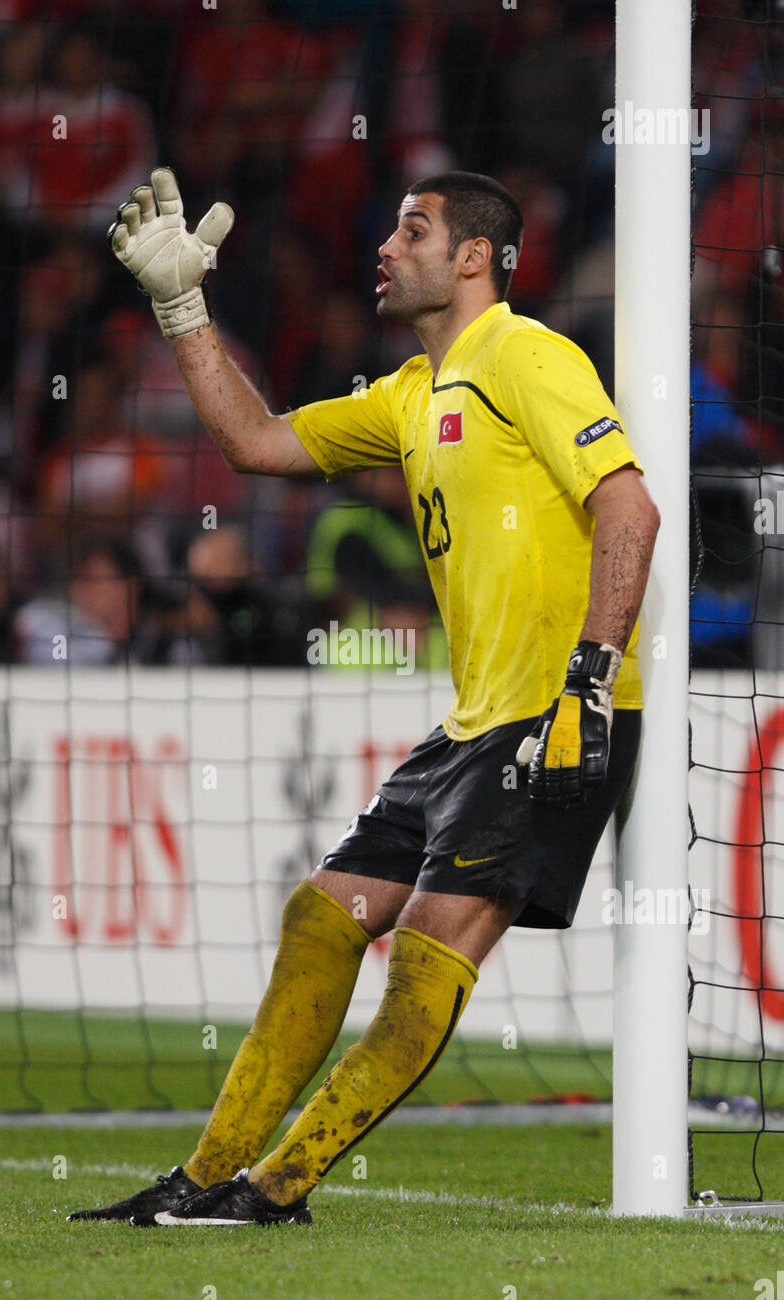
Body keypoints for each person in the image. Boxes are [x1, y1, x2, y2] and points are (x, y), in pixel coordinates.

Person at [68, 167, 659, 1228]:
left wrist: (591, 682)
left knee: (427, 948)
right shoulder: (410, 392)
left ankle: (275, 1189)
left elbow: (629, 506)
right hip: (472, 726)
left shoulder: (529, 356)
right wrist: (183, 309)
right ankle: (206, 1179)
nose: (385, 246)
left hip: (553, 711)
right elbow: (255, 444)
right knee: (321, 915)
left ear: (473, 257)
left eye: (414, 229)